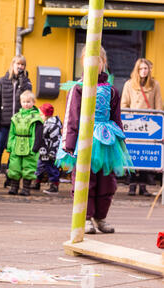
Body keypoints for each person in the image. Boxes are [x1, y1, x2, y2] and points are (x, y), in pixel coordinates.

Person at [56, 46, 132, 234]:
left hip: (106, 142)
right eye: (89, 60)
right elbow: (71, 117)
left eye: (97, 60)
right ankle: (85, 217)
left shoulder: (112, 90)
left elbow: (116, 117)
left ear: (103, 63)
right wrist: (69, 144)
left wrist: (120, 141)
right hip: (84, 140)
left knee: (107, 181)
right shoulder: (78, 88)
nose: (93, 64)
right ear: (83, 62)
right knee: (84, 179)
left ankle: (101, 217)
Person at [0, 55, 32, 188]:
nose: (20, 67)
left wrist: (23, 81)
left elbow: (28, 98)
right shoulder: (2, 81)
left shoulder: (26, 82)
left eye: (23, 65)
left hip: (19, 123)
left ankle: (10, 178)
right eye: (18, 64)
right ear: (13, 65)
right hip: (3, 122)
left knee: (14, 151)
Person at [121, 58, 162, 197]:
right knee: (133, 155)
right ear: (137, 70)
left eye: (146, 68)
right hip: (133, 124)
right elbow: (124, 104)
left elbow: (158, 105)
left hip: (149, 125)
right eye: (142, 68)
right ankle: (132, 185)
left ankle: (143, 187)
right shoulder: (129, 84)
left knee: (145, 155)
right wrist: (130, 116)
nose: (144, 71)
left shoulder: (155, 84)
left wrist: (156, 116)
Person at [6, 90, 43, 196]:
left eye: (28, 102)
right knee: (14, 166)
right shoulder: (16, 117)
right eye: (24, 102)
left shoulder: (36, 118)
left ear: (33, 103)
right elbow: (12, 133)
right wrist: (10, 145)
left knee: (29, 167)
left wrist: (35, 147)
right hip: (16, 145)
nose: (26, 104)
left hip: (29, 146)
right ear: (20, 102)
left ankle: (26, 188)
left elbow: (38, 134)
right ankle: (14, 186)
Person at [32, 103, 62, 194]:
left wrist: (52, 152)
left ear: (46, 115)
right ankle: (36, 182)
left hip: (50, 151)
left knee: (51, 168)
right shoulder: (45, 123)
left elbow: (56, 140)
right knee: (39, 166)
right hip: (43, 150)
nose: (39, 116)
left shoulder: (52, 125)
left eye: (40, 114)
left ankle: (54, 185)